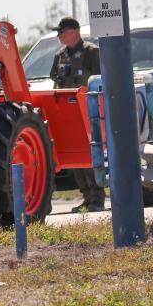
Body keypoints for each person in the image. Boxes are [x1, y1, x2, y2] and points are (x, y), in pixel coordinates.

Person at [48, 17, 106, 211]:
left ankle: (97, 197)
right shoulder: (60, 56)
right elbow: (56, 81)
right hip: (68, 112)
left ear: (74, 32)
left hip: (88, 110)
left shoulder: (91, 52)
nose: (59, 36)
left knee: (90, 154)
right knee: (75, 155)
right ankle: (87, 196)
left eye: (61, 32)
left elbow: (100, 80)